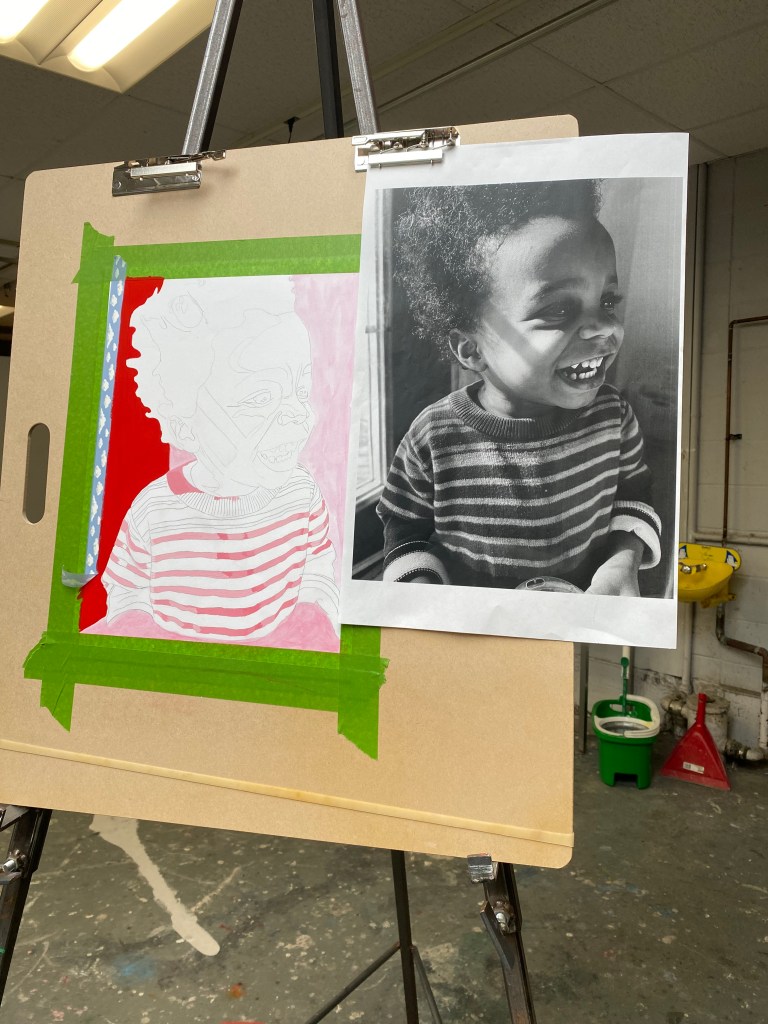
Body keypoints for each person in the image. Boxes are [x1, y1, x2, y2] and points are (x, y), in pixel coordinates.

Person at [377, 180, 661, 596]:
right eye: (558, 308)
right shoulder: (432, 438)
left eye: (607, 300)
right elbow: (405, 530)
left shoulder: (613, 417)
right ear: (472, 349)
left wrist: (622, 561)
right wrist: (424, 592)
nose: (604, 327)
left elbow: (634, 496)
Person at [101, 278, 340, 643]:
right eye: (260, 398)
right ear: (185, 427)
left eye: (301, 391)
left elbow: (318, 569)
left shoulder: (302, 493)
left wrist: (312, 618)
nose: (297, 413)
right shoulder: (154, 510)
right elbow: (126, 594)